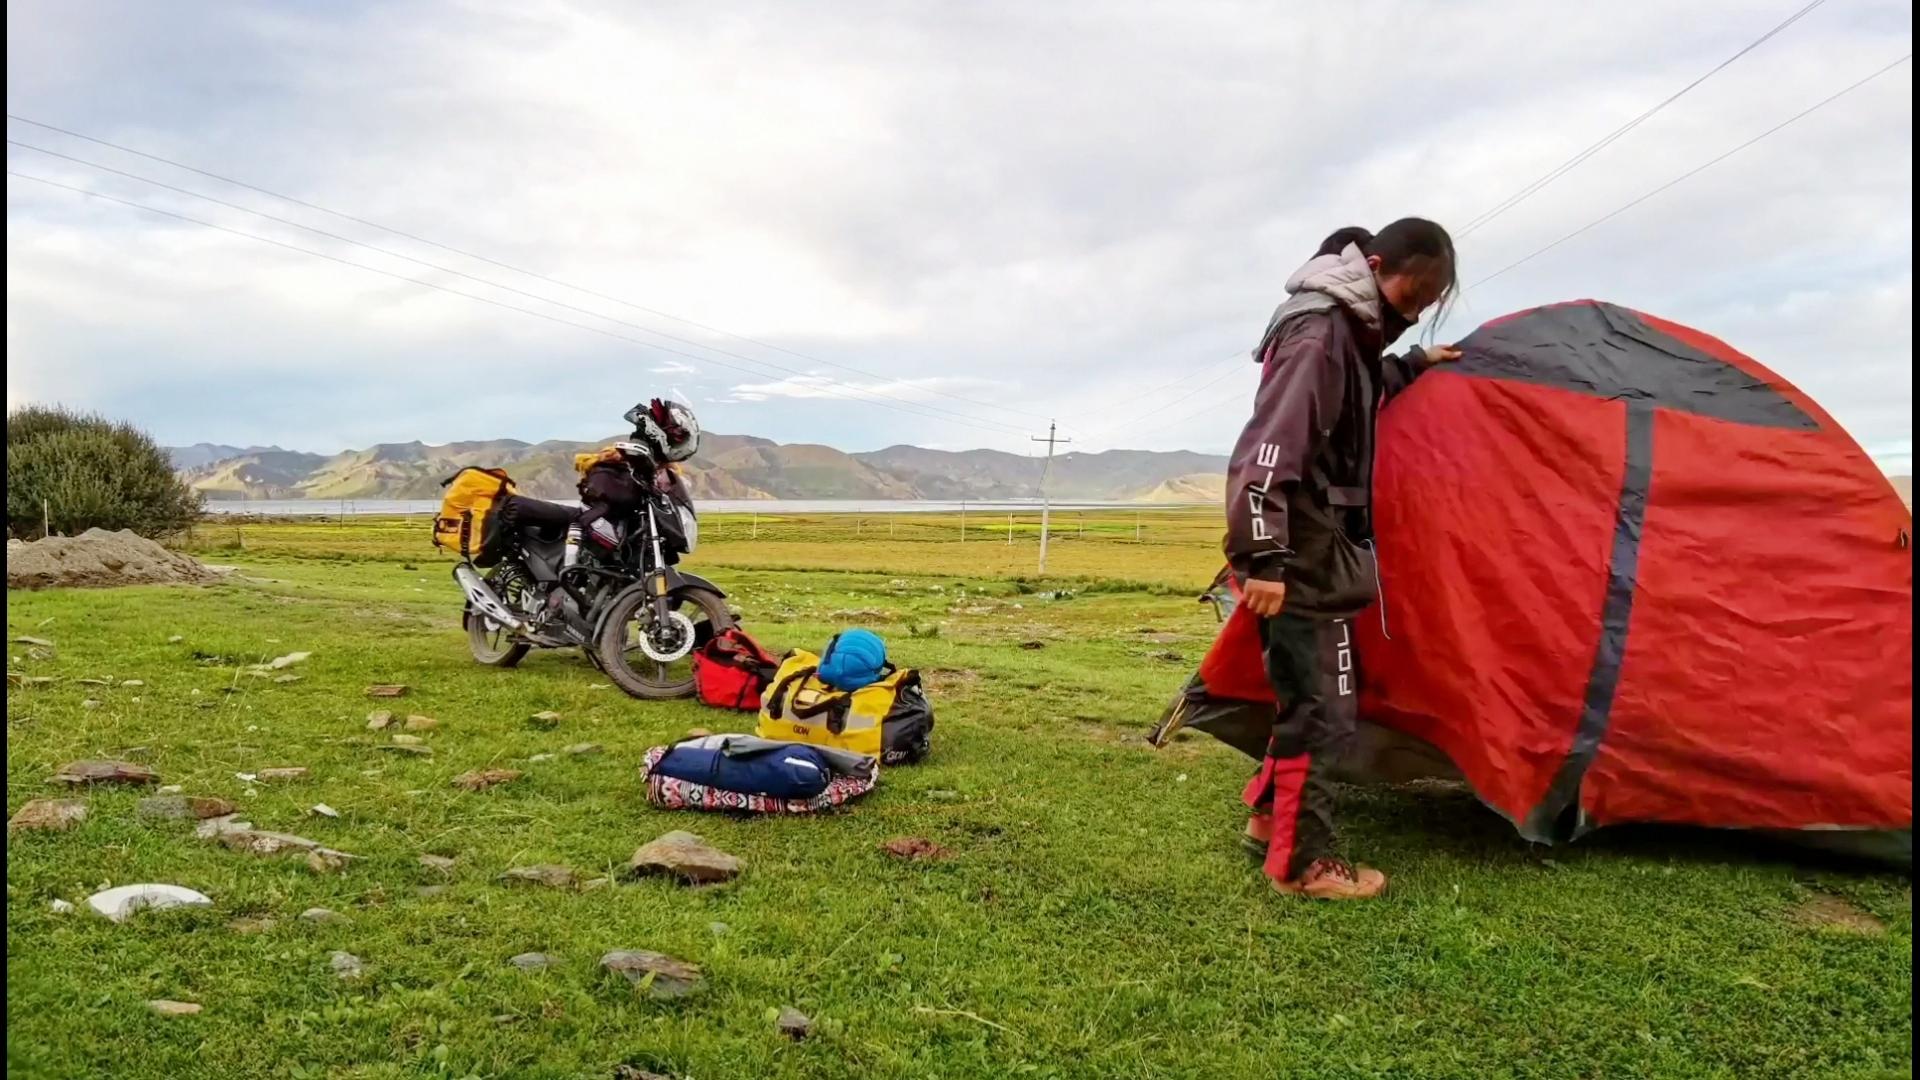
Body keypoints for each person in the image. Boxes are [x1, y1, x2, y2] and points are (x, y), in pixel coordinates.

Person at [1223, 218, 1461, 900]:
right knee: (1326, 708)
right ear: (1377, 264)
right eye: (1414, 292)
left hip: (1311, 547)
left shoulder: (1340, 334)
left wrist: (1412, 364)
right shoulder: (1320, 333)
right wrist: (1264, 558)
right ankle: (1305, 867)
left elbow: (1354, 393)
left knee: (1309, 698)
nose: (1414, 311)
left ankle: (1272, 821)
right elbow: (1268, 448)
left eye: (1427, 300)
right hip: (1301, 551)